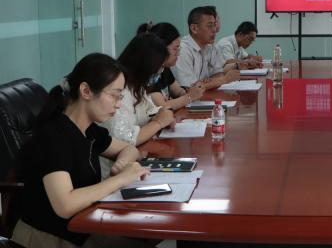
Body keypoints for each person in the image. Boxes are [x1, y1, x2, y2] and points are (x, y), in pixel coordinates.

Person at [12, 53, 150, 248]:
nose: (118, 104)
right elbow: (65, 205)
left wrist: (121, 165)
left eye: (120, 97)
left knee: (144, 238)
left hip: (82, 226)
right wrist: (120, 179)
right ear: (86, 91)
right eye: (114, 95)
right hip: (49, 237)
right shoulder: (54, 136)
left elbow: (129, 149)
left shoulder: (88, 130)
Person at [100, 34, 176, 164]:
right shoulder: (119, 91)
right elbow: (124, 139)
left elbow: (149, 111)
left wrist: (161, 114)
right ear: (145, 66)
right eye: (158, 67)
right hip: (114, 165)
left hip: (136, 156)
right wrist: (158, 123)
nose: (160, 72)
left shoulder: (137, 87)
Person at [138, 22, 205, 111]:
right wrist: (189, 97)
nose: (178, 53)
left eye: (179, 48)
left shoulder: (163, 68)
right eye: (175, 48)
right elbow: (162, 106)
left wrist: (192, 91)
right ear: (161, 48)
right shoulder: (148, 72)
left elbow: (179, 92)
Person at [173, 6, 240, 90]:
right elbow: (190, 88)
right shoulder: (183, 50)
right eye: (210, 26)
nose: (214, 30)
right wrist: (224, 80)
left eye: (214, 25)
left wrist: (210, 82)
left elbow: (219, 74)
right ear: (194, 28)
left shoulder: (211, 47)